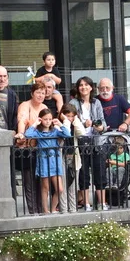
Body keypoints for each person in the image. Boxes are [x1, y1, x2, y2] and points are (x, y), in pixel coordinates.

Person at [20, 108, 70, 215]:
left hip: (55, 161)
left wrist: (60, 124)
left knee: (60, 189)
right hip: (44, 161)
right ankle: (45, 210)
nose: (47, 121)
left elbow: (67, 134)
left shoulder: (55, 131)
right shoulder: (38, 132)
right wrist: (35, 123)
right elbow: (28, 134)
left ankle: (53, 208)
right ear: (41, 119)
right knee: (45, 188)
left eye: (49, 119)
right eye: (45, 119)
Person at [68, 76, 106, 210]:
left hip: (96, 141)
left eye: (86, 85)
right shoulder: (73, 103)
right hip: (81, 142)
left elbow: (102, 120)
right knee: (83, 175)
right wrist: (84, 124)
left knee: (100, 173)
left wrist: (101, 127)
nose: (83, 87)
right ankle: (86, 203)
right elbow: (70, 121)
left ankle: (102, 203)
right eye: (81, 85)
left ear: (91, 87)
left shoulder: (97, 102)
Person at [15, 85, 51, 214]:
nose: (40, 95)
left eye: (43, 93)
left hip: (41, 148)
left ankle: (42, 208)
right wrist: (21, 134)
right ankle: (33, 210)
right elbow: (22, 120)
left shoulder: (44, 107)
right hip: (28, 148)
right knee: (29, 182)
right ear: (32, 93)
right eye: (38, 92)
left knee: (41, 181)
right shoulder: (25, 105)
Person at [58, 104, 84, 213]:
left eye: (72, 116)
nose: (70, 118)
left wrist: (76, 121)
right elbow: (66, 134)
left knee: (73, 186)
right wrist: (66, 121)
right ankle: (64, 210)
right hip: (62, 157)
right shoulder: (58, 124)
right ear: (62, 115)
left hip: (74, 157)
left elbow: (82, 133)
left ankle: (73, 209)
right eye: (68, 116)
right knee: (63, 186)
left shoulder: (74, 124)